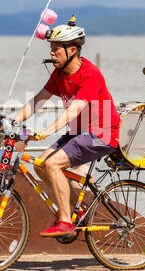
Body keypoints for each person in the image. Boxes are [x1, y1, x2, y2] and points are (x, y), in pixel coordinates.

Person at [13, 15, 120, 237]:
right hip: (79, 132)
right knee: (41, 165)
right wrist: (11, 120)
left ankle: (65, 222)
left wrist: (46, 131)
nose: (51, 53)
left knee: (52, 164)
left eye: (56, 50)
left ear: (72, 50)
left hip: (102, 133)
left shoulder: (90, 74)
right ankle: (77, 211)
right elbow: (37, 101)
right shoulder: (59, 73)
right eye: (51, 49)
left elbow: (74, 110)